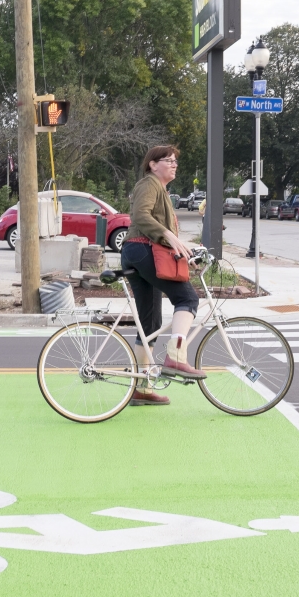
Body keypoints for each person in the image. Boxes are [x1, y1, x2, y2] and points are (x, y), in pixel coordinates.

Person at [121, 145, 205, 406]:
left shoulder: (162, 190)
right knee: (188, 300)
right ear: (152, 165)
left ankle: (141, 388)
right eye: (168, 160)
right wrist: (168, 236)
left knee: (150, 325)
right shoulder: (149, 183)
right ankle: (176, 357)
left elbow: (157, 227)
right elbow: (140, 216)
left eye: (175, 161)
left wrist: (184, 248)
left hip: (140, 252)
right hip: (143, 249)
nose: (174, 164)